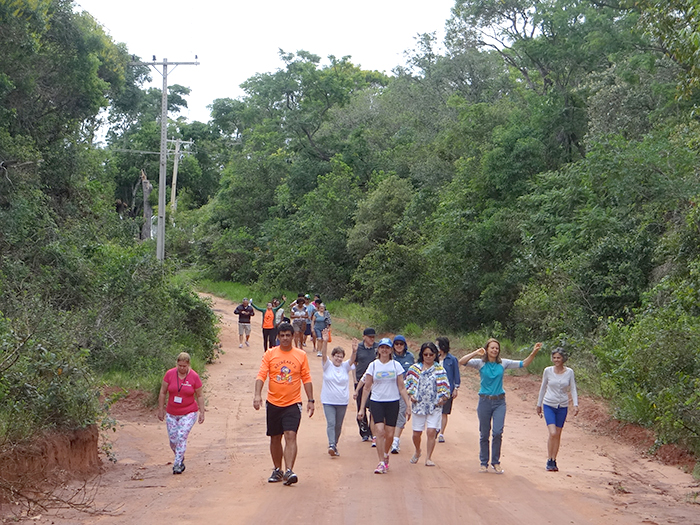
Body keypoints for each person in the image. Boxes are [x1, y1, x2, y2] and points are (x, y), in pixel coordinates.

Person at [459, 338, 542, 474]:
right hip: (484, 401)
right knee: (484, 434)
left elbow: (524, 364)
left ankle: (495, 462)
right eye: (492, 347)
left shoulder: (503, 363)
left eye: (497, 348)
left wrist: (534, 352)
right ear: (487, 349)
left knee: (497, 432)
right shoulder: (480, 363)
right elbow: (462, 361)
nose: (495, 350)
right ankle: (483, 462)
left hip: (499, 402)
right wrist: (476, 352)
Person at [253, 322, 314, 486]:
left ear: (293, 336)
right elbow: (261, 375)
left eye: (288, 335)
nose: (285, 338)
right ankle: (277, 469)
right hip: (273, 403)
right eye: (282, 335)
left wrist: (311, 400)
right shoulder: (270, 354)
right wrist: (257, 395)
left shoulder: (300, 355)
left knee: (290, 435)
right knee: (275, 437)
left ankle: (289, 471)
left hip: (293, 403)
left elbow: (306, 378)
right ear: (278, 337)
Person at [357, 337, 411, 474]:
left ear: (390, 350)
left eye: (387, 348)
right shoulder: (373, 365)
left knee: (390, 433)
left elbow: (402, 387)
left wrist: (408, 405)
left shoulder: (396, 366)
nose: (384, 350)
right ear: (379, 350)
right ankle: (381, 461)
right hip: (377, 401)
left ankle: (385, 454)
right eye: (382, 347)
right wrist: (362, 408)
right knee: (379, 431)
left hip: (393, 402)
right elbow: (367, 388)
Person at [157, 352, 205, 474]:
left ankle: (177, 464)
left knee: (181, 436)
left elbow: (199, 395)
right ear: (177, 364)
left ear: (188, 365)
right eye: (180, 365)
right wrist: (161, 409)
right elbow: (163, 392)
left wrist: (202, 412)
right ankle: (180, 455)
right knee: (173, 440)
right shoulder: (169, 374)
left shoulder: (194, 376)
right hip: (172, 412)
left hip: (189, 412)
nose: (182, 368)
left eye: (184, 366)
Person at [404, 342, 450, 467]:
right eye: (426, 354)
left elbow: (445, 387)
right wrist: (411, 395)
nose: (428, 357)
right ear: (422, 355)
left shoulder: (440, 370)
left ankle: (428, 457)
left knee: (431, 431)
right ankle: (417, 450)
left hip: (434, 406)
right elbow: (408, 384)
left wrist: (442, 397)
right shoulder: (414, 369)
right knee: (416, 433)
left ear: (435, 355)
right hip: (418, 405)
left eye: (431, 354)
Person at [536, 347, 579, 472]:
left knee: (558, 434)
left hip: (562, 406)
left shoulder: (569, 372)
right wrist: (539, 404)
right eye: (554, 358)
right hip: (549, 404)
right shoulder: (548, 371)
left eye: (558, 358)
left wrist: (575, 404)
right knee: (553, 432)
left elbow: (573, 388)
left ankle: (553, 460)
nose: (556, 360)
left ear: (563, 358)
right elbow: (543, 387)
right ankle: (549, 458)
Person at [320, 328, 357, 457]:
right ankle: (331, 444)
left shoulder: (345, 366)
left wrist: (354, 351)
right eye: (337, 356)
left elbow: (352, 360)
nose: (339, 358)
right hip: (328, 401)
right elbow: (323, 354)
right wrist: (325, 342)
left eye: (341, 356)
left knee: (338, 425)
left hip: (342, 401)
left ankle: (334, 445)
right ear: (333, 356)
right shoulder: (327, 365)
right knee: (331, 423)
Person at [390, 335, 414, 454]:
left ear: (405, 345)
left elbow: (413, 374)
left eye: (401, 344)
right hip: (390, 389)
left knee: (402, 413)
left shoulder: (410, 357)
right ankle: (388, 437)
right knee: (390, 415)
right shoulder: (390, 357)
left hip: (404, 390)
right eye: (396, 344)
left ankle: (396, 441)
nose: (399, 346)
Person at [353, 327, 378, 442]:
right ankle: (364, 432)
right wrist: (355, 380)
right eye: (369, 337)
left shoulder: (377, 348)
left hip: (374, 382)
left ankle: (373, 431)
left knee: (373, 407)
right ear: (364, 337)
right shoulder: (358, 348)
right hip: (360, 381)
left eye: (373, 337)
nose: (372, 339)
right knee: (361, 407)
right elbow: (354, 364)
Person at [436, 336, 460, 443]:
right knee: (435, 411)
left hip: (447, 390)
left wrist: (456, 388)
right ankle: (435, 429)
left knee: (444, 412)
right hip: (435, 389)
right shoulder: (434, 358)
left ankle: (441, 433)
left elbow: (456, 374)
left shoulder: (452, 359)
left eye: (437, 345)